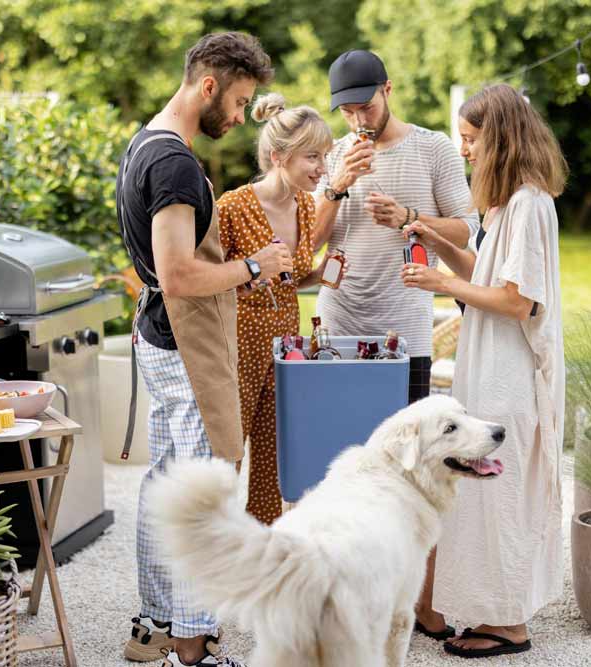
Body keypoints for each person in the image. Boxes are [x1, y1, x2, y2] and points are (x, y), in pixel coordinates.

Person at [115, 32, 290, 667]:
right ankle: (193, 648)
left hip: (160, 338)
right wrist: (256, 265)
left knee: (166, 483)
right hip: (186, 343)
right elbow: (180, 274)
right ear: (208, 85)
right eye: (241, 102)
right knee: (202, 493)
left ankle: (156, 627)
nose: (241, 117)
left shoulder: (146, 141)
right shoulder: (175, 165)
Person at [402, 83, 567, 658]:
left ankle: (511, 625)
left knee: (501, 492)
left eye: (471, 140)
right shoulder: (504, 206)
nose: (464, 150)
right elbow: (486, 274)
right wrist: (433, 242)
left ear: (499, 138)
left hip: (510, 373)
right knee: (483, 490)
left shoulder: (530, 203)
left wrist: (443, 285)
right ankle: (491, 612)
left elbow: (519, 300)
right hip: (488, 366)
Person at [314, 49, 479, 406]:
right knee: (339, 437)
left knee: (405, 447)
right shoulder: (329, 156)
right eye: (347, 112)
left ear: (387, 89)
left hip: (405, 329)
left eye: (366, 108)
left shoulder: (433, 148)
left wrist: (408, 216)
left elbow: (467, 230)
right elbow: (310, 244)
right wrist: (337, 185)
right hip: (339, 324)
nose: (358, 121)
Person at [217, 93, 337, 525]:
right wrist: (250, 272)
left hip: (285, 349)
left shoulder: (306, 206)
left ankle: (262, 554)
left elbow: (290, 279)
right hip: (237, 349)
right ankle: (215, 555)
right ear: (277, 156)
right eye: (312, 156)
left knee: (273, 459)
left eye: (324, 156)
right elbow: (207, 282)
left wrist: (319, 273)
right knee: (225, 457)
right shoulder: (232, 207)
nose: (322, 168)